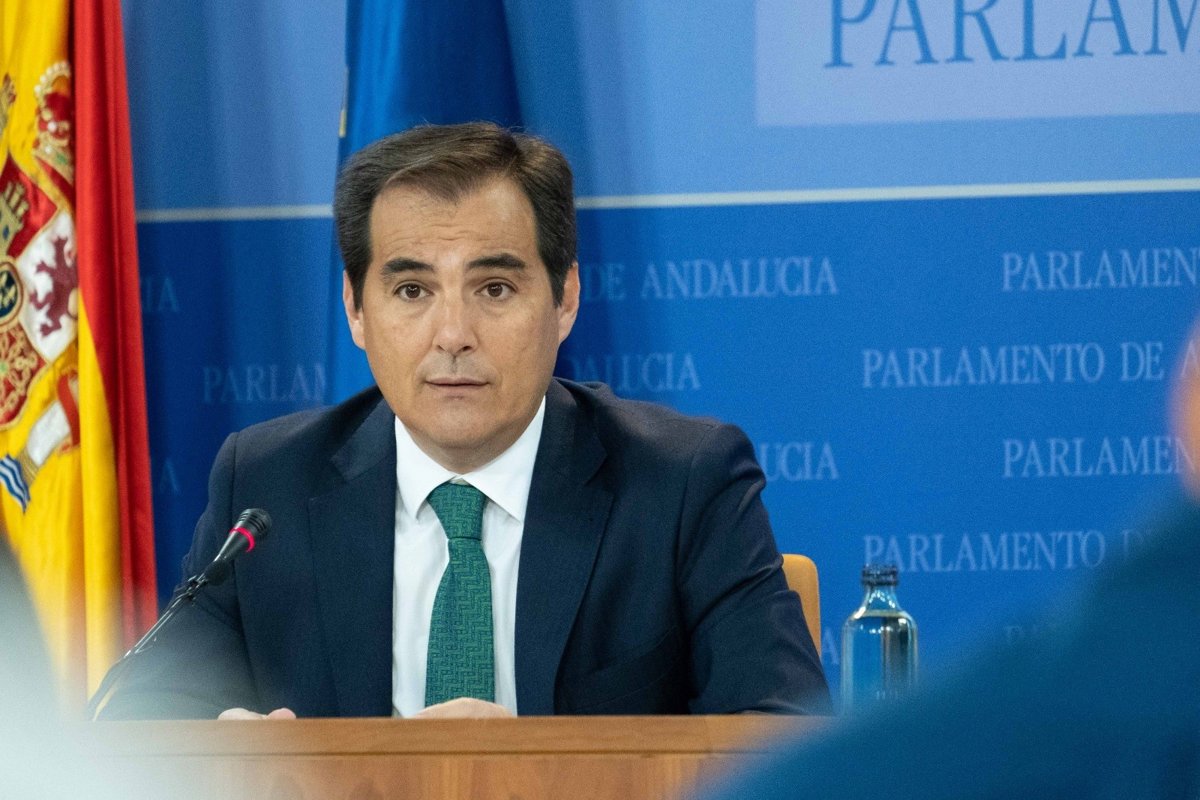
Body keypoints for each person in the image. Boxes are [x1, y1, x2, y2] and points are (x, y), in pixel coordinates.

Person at [98, 122, 829, 720]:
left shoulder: (681, 484)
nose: (453, 334)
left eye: (495, 288)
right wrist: (223, 753)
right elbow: (144, 717)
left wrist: (529, 773)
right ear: (356, 310)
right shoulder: (267, 488)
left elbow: (782, 735)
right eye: (412, 291)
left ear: (565, 299)